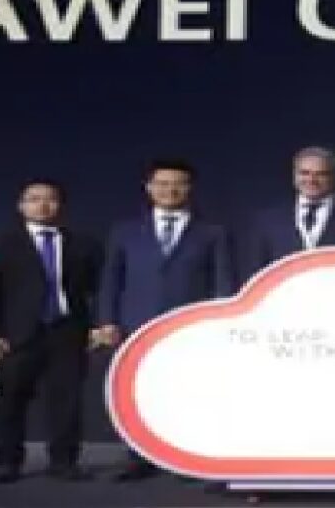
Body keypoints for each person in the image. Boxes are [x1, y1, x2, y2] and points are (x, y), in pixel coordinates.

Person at [91, 159, 238, 482]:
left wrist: (221, 322)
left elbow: (223, 281)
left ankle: (187, 459)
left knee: (189, 392)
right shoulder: (125, 231)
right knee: (139, 394)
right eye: (162, 183)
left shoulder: (212, 232)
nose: (170, 190)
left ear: (190, 189)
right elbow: (111, 280)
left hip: (190, 327)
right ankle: (138, 458)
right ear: (149, 188)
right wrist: (106, 321)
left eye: (178, 184)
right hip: (136, 325)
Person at [0, 179, 101, 484]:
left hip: (67, 331)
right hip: (19, 334)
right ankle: (7, 463)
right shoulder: (4, 244)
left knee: (66, 401)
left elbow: (97, 289)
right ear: (21, 206)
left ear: (60, 205)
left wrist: (97, 325)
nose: (42, 205)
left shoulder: (83, 244)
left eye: (50, 199)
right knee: (11, 401)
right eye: (34, 199)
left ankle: (64, 462)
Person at [243, 145, 335, 274]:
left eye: (321, 174)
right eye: (305, 173)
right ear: (294, 175)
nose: (311, 180)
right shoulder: (268, 220)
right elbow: (256, 273)